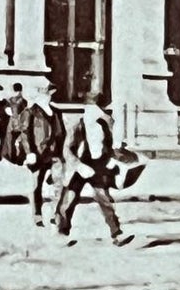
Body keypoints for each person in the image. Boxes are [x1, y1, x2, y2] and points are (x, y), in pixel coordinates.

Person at [53, 92, 140, 246]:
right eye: (92, 109)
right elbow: (67, 150)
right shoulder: (78, 126)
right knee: (69, 198)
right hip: (80, 166)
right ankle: (61, 232)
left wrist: (122, 159)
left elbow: (111, 148)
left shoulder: (105, 125)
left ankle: (116, 234)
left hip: (97, 166)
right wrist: (79, 166)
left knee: (104, 199)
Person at [23, 90, 66, 227]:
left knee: (58, 184)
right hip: (38, 154)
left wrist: (62, 152)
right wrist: (29, 152)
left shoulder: (55, 111)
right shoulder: (31, 112)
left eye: (49, 94)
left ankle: (56, 214)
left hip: (54, 154)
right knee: (37, 185)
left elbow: (61, 133)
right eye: (46, 94)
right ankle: (37, 215)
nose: (48, 97)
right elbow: (25, 133)